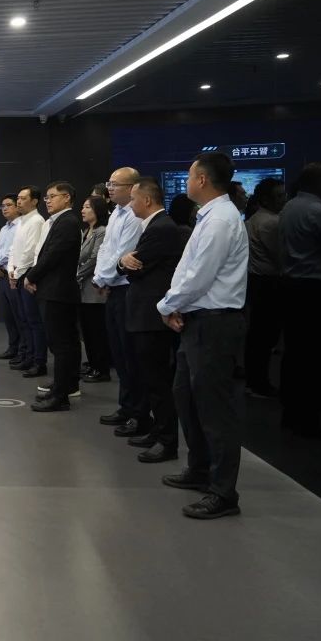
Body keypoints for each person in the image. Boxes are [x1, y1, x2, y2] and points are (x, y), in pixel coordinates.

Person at [157, 153, 250, 520]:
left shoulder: (222, 219)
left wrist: (167, 305)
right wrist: (174, 304)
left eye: (190, 175)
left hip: (214, 322)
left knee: (215, 410)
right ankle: (199, 468)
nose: (187, 181)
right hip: (196, 319)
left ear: (203, 180)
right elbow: (188, 270)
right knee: (186, 396)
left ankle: (223, 492)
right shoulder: (209, 216)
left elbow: (200, 276)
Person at [119, 178, 189, 462]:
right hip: (145, 314)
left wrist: (123, 262)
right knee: (150, 378)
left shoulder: (161, 228)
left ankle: (167, 440)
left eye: (133, 199)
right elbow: (129, 265)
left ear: (146, 200)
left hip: (152, 315)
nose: (130, 204)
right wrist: (123, 261)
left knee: (158, 380)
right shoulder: (155, 226)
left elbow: (136, 268)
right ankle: (158, 431)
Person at [278, 162, 321, 438]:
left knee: (294, 352)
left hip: (291, 286)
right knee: (316, 355)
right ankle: (310, 415)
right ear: (319, 183)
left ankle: (291, 411)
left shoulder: (288, 207)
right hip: (316, 289)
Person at [92, 167, 150, 435]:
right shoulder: (116, 212)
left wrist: (103, 278)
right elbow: (106, 249)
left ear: (132, 187)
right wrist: (100, 278)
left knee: (131, 355)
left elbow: (125, 253)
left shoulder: (134, 217)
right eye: (109, 183)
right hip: (112, 287)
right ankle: (126, 407)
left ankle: (139, 413)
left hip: (127, 289)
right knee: (118, 352)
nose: (110, 188)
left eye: (115, 184)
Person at [26, 182, 83, 411]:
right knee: (64, 343)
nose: (47, 201)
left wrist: (31, 276)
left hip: (58, 291)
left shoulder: (67, 222)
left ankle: (61, 396)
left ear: (67, 197)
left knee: (61, 345)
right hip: (55, 289)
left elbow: (52, 256)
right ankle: (64, 386)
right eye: (47, 197)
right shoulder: (59, 221)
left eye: (52, 196)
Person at [243, 178, 287, 398]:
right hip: (269, 283)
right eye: (279, 196)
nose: (284, 199)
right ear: (266, 199)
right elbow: (280, 257)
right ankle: (259, 383)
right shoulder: (271, 223)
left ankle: (254, 380)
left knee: (258, 335)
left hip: (257, 282)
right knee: (265, 337)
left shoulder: (253, 219)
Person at [7, 186, 47, 377]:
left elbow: (30, 252)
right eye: (19, 198)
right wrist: (11, 270)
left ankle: (39, 361)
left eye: (23, 198)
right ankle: (28, 356)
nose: (19, 201)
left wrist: (17, 273)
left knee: (33, 320)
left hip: (28, 274)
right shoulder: (22, 221)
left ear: (34, 201)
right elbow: (14, 250)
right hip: (18, 273)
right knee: (24, 319)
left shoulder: (37, 221)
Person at [77, 195, 111, 383]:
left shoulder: (101, 231)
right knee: (87, 331)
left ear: (97, 210)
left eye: (87, 207)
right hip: (84, 289)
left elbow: (94, 258)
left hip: (94, 288)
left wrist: (77, 274)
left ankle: (101, 368)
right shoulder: (86, 231)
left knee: (97, 331)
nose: (83, 210)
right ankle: (92, 363)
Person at [0, 194, 22, 360]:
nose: (5, 208)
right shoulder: (4, 228)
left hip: (13, 275)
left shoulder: (21, 226)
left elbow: (12, 251)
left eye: (8, 205)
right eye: (2, 206)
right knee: (8, 315)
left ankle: (23, 351)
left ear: (17, 206)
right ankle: (13, 347)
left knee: (19, 315)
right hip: (1, 274)